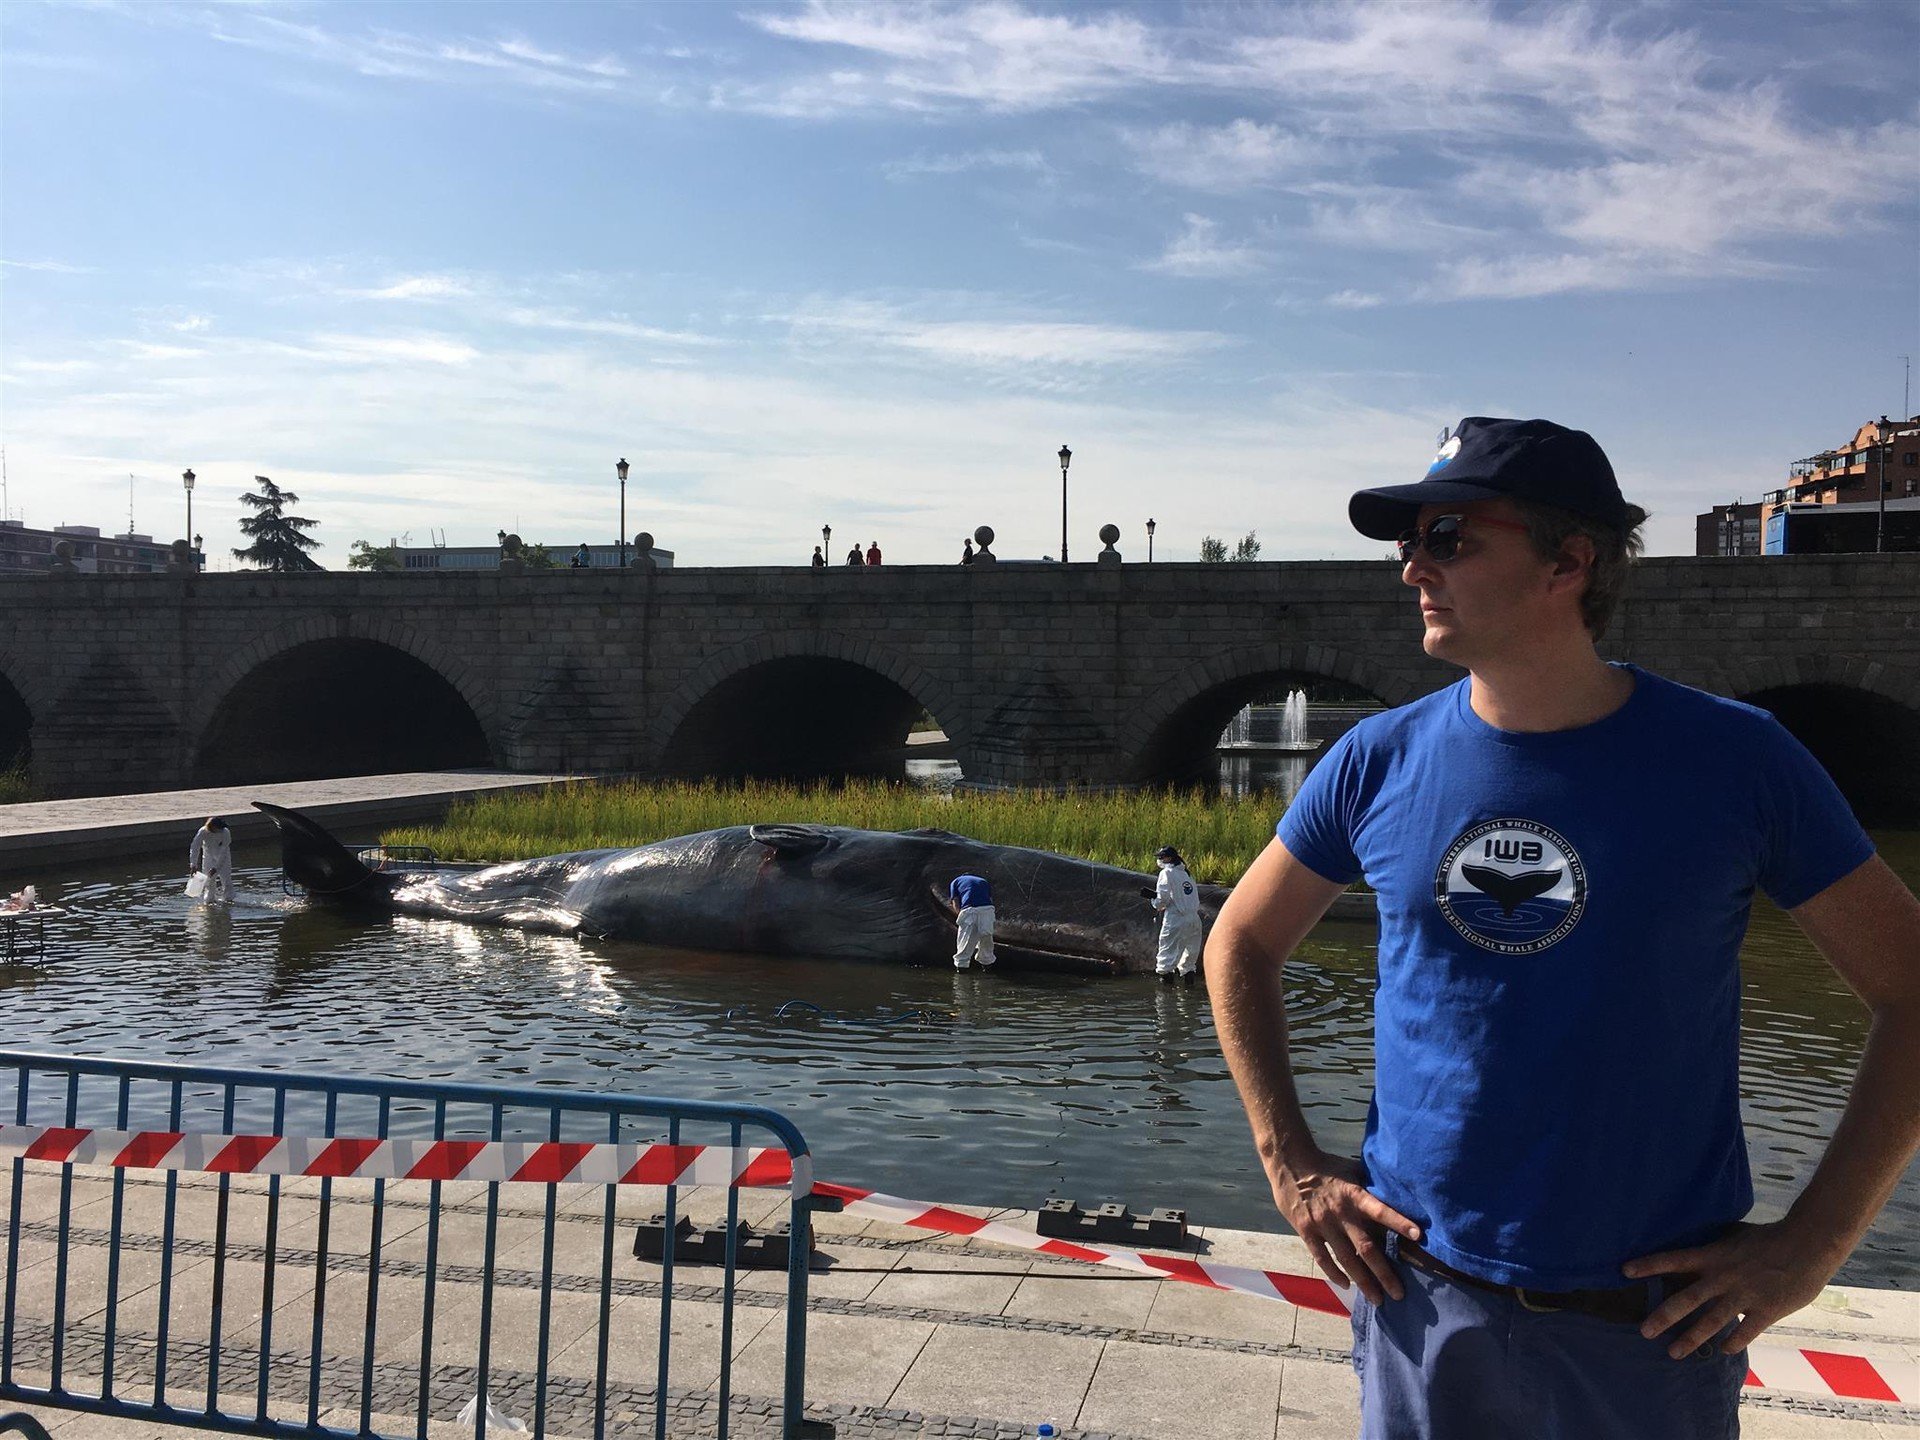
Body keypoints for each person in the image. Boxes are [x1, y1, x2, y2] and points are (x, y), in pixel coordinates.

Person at [1206, 416, 1920, 1440]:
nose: (1412, 567)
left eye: (1449, 538)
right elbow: (1239, 942)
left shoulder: (1738, 761)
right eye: (1409, 541)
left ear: (1569, 562)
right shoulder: (1376, 759)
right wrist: (1291, 1163)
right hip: (1419, 1304)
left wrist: (1814, 1244)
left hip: (1646, 1338)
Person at [1145, 844, 1202, 983]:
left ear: (1169, 858)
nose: (1159, 860)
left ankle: (1166, 993)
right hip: (1194, 920)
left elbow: (1162, 900)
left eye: (1161, 857)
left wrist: (1154, 900)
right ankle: (1189, 990)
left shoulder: (1166, 873)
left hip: (1176, 919)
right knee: (1189, 959)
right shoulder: (1187, 874)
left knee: (1166, 958)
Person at [948, 872, 996, 970]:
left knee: (965, 940)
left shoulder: (956, 881)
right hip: (987, 910)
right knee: (986, 938)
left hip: (969, 910)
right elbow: (990, 899)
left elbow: (955, 901)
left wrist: (959, 916)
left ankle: (961, 967)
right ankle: (987, 966)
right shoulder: (983, 881)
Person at [189, 816, 234, 905]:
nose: (221, 829)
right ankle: (209, 900)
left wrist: (216, 868)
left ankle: (228, 900)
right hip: (208, 857)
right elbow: (195, 847)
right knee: (209, 880)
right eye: (219, 828)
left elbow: (223, 851)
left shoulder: (225, 832)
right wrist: (193, 864)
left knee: (226, 880)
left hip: (223, 858)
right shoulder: (203, 831)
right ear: (212, 827)